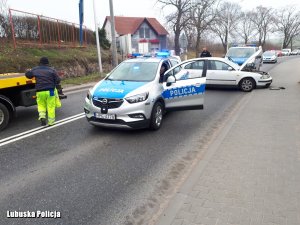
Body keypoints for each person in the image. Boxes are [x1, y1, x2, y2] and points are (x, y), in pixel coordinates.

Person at [25, 57, 61, 126]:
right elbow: (58, 80)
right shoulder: (52, 70)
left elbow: (28, 75)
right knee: (51, 106)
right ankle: (51, 122)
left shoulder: (35, 69)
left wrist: (28, 71)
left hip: (40, 91)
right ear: (47, 63)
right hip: (50, 91)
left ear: (40, 63)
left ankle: (42, 116)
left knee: (41, 105)